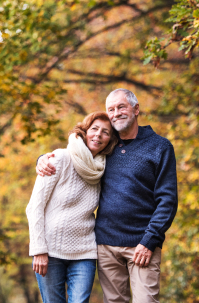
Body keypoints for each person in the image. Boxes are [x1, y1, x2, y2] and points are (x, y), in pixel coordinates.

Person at [37, 89, 178, 303]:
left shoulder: (160, 147)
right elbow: (76, 154)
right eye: (111, 109)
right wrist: (43, 159)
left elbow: (167, 200)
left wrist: (150, 240)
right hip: (105, 245)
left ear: (136, 109)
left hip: (142, 244)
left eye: (121, 107)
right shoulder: (105, 148)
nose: (116, 113)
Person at [26, 112, 119, 303]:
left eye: (105, 132)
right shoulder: (59, 158)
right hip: (49, 251)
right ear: (84, 131)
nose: (98, 135)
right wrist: (39, 249)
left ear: (110, 140)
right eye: (94, 129)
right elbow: (35, 206)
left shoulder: (103, 169)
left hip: (84, 252)